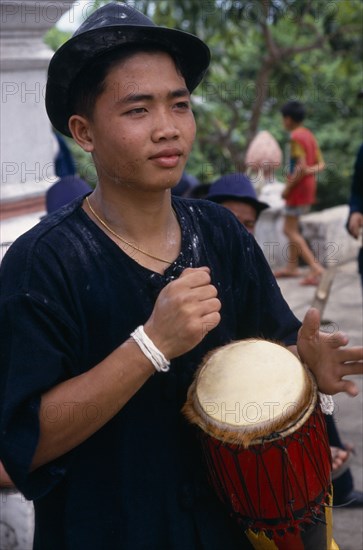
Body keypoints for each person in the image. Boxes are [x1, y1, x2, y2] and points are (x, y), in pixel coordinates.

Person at [0, 4, 362, 549]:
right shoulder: (43, 262)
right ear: (84, 132)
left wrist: (305, 363)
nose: (168, 128)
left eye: (180, 104)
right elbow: (23, 444)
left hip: (228, 531)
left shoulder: (219, 231)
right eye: (137, 110)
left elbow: (270, 348)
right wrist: (149, 345)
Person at [207, 174, 363, 508]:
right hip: (218, 402)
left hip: (253, 372)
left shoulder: (248, 260)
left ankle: (331, 471)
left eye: (248, 224)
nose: (241, 233)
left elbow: (276, 329)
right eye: (233, 222)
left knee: (307, 381)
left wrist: (300, 356)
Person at [275, 100, 326, 285]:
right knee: (293, 227)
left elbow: (300, 167)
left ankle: (315, 268)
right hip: (308, 187)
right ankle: (292, 267)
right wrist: (306, 173)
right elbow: (320, 165)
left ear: (288, 119)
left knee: (288, 229)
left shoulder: (296, 137)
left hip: (297, 189)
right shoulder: (309, 136)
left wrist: (287, 189)